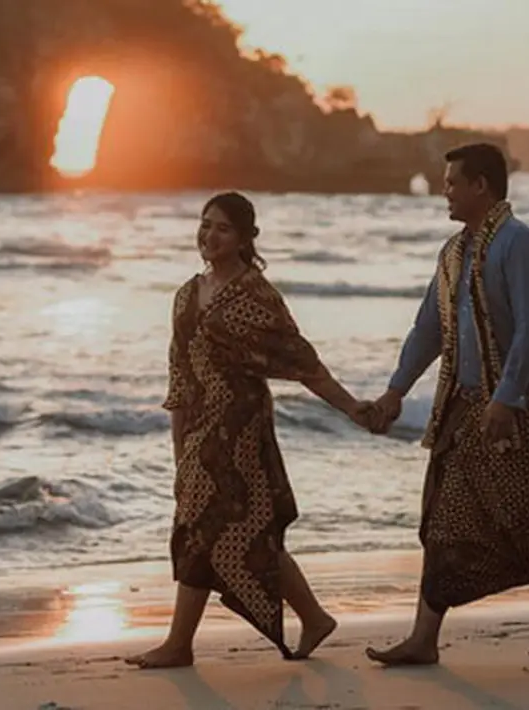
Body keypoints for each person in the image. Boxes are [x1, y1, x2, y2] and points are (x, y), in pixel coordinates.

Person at [362, 143, 529, 665]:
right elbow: (427, 331)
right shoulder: (452, 254)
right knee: (443, 523)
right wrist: (395, 391)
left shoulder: (519, 244)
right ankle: (423, 639)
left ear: (481, 186)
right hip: (462, 411)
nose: (444, 190)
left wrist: (506, 398)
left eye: (450, 182)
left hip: (520, 409)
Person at [125, 191, 368, 669]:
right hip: (199, 430)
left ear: (244, 239)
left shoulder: (256, 296)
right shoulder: (186, 294)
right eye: (204, 224)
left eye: (222, 228)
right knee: (229, 530)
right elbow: (179, 374)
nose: (209, 235)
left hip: (241, 432)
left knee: (219, 528)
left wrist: (353, 408)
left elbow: (303, 363)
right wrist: (179, 446)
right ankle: (313, 618)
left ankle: (179, 644)